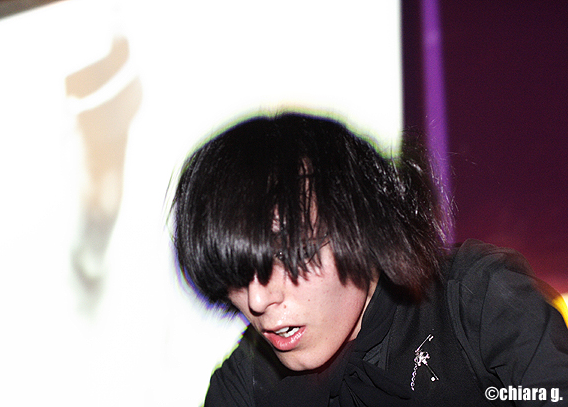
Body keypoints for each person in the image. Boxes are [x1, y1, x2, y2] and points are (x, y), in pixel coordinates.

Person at [171, 112, 568, 406]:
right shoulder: (246, 384)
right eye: (237, 271)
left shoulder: (478, 302)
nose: (258, 300)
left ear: (359, 225)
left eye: (288, 255)